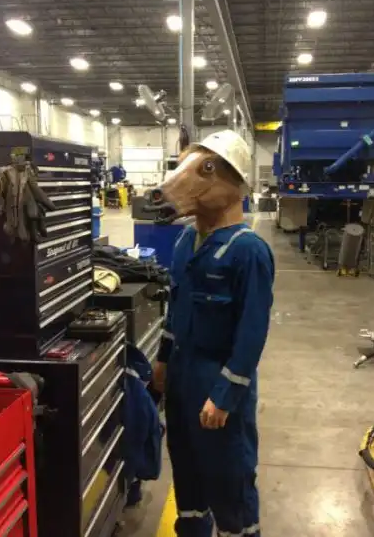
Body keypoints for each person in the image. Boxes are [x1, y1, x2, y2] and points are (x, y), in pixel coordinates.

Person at [150, 130, 275, 537]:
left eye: (205, 170)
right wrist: (163, 360)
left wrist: (225, 396)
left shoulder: (249, 251)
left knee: (229, 475)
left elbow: (251, 334)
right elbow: (176, 307)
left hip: (217, 376)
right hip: (182, 375)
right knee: (185, 467)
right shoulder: (186, 241)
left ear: (235, 184)